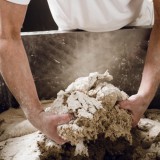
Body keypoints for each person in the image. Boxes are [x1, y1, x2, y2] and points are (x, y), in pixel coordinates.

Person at [0, 0, 159, 144]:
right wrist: (35, 114)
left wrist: (145, 95)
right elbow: (6, 34)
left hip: (137, 28)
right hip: (70, 35)